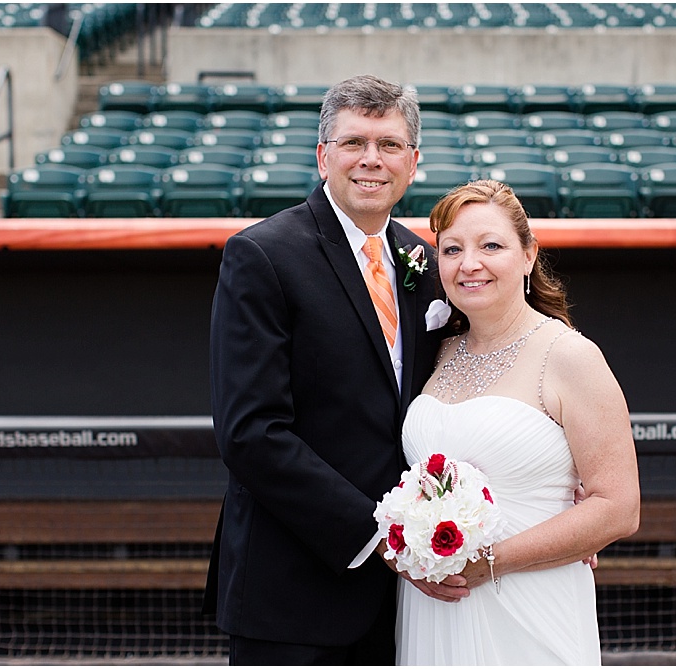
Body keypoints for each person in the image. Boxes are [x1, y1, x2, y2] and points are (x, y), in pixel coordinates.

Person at [204, 74, 453, 665]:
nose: (372, 160)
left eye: (390, 145)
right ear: (323, 155)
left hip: (409, 603)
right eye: (354, 143)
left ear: (413, 162)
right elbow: (252, 433)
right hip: (295, 592)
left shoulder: (424, 259)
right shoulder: (262, 255)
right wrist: (380, 538)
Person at [395, 179, 641, 665]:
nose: (470, 264)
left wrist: (489, 563)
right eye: (452, 249)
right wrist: (408, 547)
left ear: (528, 256)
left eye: (491, 246)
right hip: (433, 607)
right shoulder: (436, 351)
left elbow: (618, 507)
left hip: (529, 602)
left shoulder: (569, 355)